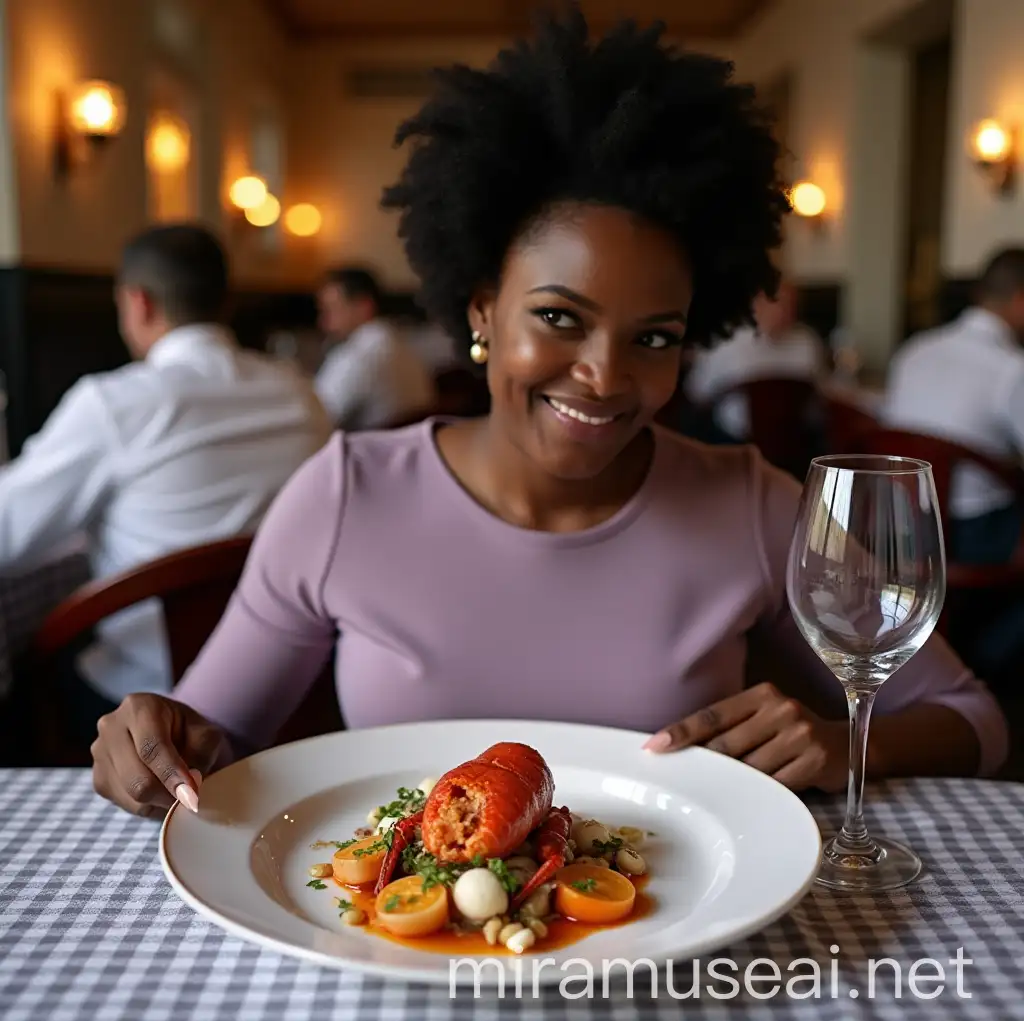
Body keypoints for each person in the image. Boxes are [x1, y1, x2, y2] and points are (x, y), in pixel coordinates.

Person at [89, 11, 1007, 818]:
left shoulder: (757, 507)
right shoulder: (344, 496)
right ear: (482, 307)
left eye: (655, 337)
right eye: (560, 318)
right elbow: (202, 742)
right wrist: (147, 742)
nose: (606, 377)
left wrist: (848, 742)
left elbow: (976, 721)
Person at [0, 223, 332, 742]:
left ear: (138, 302)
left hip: (149, 700)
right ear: (226, 302)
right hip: (292, 689)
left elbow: (7, 536)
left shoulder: (115, 402)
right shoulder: (298, 391)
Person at [883, 247, 1024, 683]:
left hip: (898, 527)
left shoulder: (915, 349)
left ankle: (944, 655)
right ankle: (983, 666)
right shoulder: (1011, 368)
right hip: (970, 535)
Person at [683, 280, 826, 441]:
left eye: (791, 305)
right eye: (777, 303)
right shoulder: (726, 340)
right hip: (730, 440)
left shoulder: (808, 342)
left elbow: (819, 397)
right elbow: (698, 392)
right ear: (757, 305)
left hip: (793, 443)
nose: (784, 312)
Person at [314, 267, 437, 429]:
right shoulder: (404, 346)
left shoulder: (355, 358)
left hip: (370, 451)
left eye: (332, 310)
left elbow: (315, 421)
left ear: (365, 306)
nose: (324, 322)